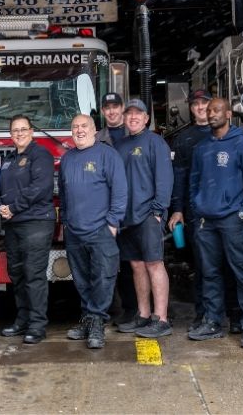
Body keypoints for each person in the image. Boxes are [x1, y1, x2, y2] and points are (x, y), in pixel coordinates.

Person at [189, 98, 243, 348]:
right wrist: (197, 208)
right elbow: (194, 182)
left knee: (241, 272)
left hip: (233, 220)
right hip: (206, 221)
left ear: (228, 114)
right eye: (209, 111)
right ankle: (212, 321)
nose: (211, 114)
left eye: (216, 110)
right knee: (209, 273)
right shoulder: (202, 148)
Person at [59, 114, 127, 349]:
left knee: (103, 278)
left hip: (100, 229)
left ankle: (97, 321)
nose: (79, 130)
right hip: (74, 231)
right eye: (75, 126)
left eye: (84, 126)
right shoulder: (67, 159)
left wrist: (112, 223)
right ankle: (88, 319)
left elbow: (119, 192)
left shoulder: (108, 155)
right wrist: (65, 222)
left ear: (94, 130)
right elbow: (64, 195)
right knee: (81, 279)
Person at [115, 99, 174, 338]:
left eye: (138, 114)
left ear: (146, 118)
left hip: (149, 215)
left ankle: (161, 318)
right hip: (127, 218)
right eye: (129, 114)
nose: (133, 117)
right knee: (137, 266)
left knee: (154, 264)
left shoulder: (156, 143)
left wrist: (158, 211)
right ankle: (143, 314)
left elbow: (165, 179)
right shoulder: (120, 145)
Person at [0, 115, 55, 345]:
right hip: (13, 224)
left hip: (36, 222)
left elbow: (40, 188)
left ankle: (37, 325)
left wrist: (13, 207)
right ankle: (22, 320)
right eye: (15, 131)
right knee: (17, 274)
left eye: (23, 129)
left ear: (31, 132)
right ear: (10, 135)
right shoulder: (8, 159)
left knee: (33, 274)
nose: (19, 134)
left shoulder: (41, 155)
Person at [167, 89, 212, 332]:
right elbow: (178, 178)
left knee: (229, 266)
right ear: (191, 108)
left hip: (224, 214)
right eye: (196, 104)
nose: (200, 108)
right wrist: (177, 210)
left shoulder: (227, 134)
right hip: (196, 212)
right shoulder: (183, 139)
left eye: (205, 103)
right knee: (201, 267)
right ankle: (202, 315)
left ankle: (234, 316)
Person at [95, 92, 136, 326]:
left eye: (115, 106)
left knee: (131, 262)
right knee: (107, 262)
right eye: (107, 107)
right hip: (104, 211)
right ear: (102, 111)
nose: (111, 111)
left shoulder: (136, 134)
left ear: (122, 108)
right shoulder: (97, 137)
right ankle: (108, 308)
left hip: (132, 209)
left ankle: (131, 310)